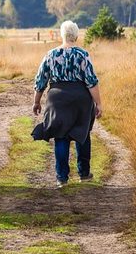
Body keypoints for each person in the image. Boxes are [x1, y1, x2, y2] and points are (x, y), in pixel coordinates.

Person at [32, 19, 104, 185]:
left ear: (62, 35)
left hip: (57, 99)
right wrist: (98, 103)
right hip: (81, 98)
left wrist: (36, 101)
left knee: (61, 136)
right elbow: (91, 81)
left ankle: (61, 178)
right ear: (76, 36)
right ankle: (83, 173)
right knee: (83, 134)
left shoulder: (50, 55)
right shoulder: (83, 55)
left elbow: (40, 81)